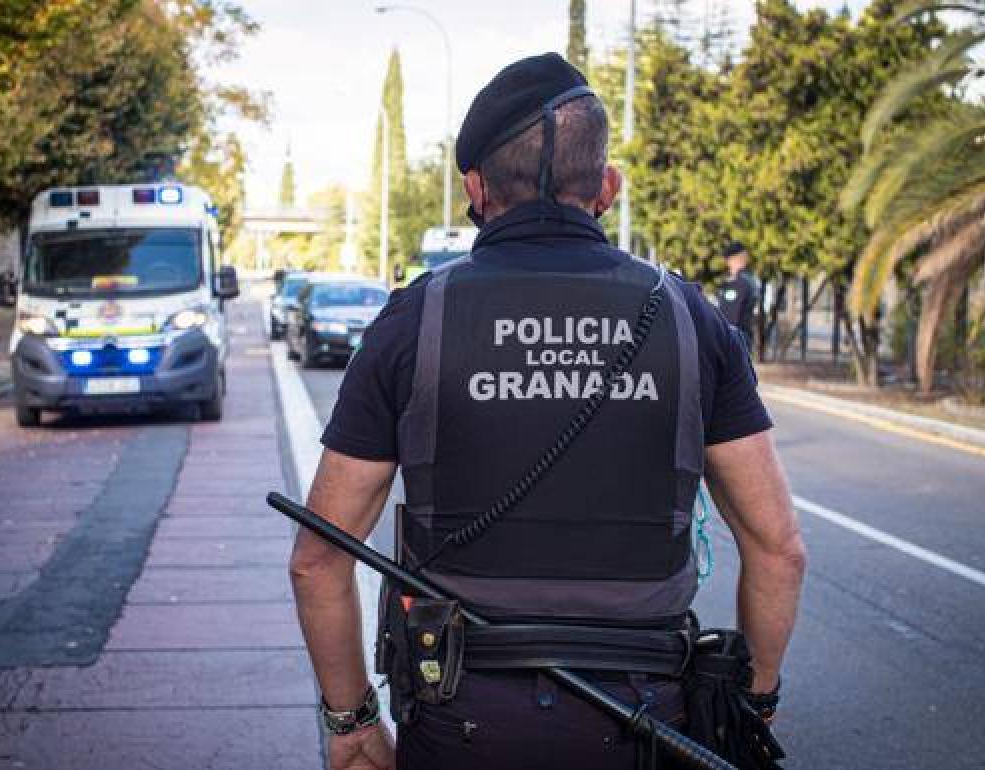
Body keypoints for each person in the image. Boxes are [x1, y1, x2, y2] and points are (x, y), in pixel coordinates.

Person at [289, 53, 805, 770]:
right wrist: (755, 703)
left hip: (460, 722)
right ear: (607, 187)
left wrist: (351, 724)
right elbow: (779, 550)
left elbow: (318, 560)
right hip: (649, 726)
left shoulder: (415, 319)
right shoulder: (691, 319)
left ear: (475, 188)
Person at [716, 241, 760, 349]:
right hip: (742, 338)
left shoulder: (738, 283)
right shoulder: (749, 280)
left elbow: (729, 317)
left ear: (731, 260)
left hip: (733, 341)